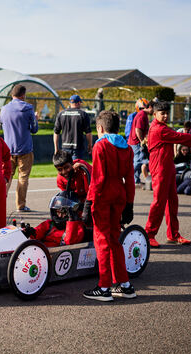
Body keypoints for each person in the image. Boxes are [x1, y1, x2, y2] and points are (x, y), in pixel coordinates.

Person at [80, 110, 136, 301]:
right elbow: (130, 178)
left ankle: (104, 287)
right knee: (114, 239)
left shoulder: (100, 146)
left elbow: (98, 178)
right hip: (120, 193)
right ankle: (125, 284)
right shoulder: (127, 148)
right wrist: (130, 204)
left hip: (103, 195)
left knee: (102, 240)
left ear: (100, 128)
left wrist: (88, 203)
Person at [144, 102, 191, 248]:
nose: (165, 115)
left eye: (166, 113)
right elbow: (180, 137)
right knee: (159, 202)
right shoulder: (158, 129)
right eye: (161, 113)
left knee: (172, 201)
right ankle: (149, 234)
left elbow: (180, 137)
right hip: (160, 168)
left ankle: (173, 235)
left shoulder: (162, 127)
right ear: (154, 114)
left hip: (168, 167)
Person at [0, 84, 39, 212]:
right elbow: (34, 129)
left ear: (12, 95)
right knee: (23, 178)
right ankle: (20, 205)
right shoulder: (28, 108)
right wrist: (36, 119)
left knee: (7, 176)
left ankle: (0, 202)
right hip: (25, 149)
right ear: (23, 95)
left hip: (8, 149)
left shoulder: (4, 109)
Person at [54, 94, 92, 161]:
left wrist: (56, 149)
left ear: (70, 103)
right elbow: (88, 133)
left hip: (65, 147)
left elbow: (56, 133)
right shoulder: (83, 114)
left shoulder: (61, 114)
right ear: (78, 103)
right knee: (76, 169)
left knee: (66, 169)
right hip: (77, 148)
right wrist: (90, 145)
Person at [127, 99, 153, 184]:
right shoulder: (142, 115)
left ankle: (135, 180)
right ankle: (126, 177)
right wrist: (142, 141)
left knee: (137, 161)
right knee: (138, 161)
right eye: (153, 109)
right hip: (136, 142)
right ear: (150, 107)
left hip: (135, 142)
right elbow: (138, 130)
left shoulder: (143, 114)